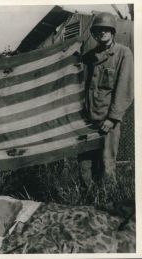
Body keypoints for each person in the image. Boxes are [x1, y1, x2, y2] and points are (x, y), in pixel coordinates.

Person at [78, 12, 134, 194]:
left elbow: (124, 89)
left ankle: (108, 204)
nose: (102, 33)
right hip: (87, 120)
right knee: (85, 167)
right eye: (98, 30)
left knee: (107, 164)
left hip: (107, 120)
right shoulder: (88, 57)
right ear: (94, 33)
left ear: (112, 31)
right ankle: (86, 202)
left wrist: (113, 118)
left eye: (106, 29)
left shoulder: (123, 53)